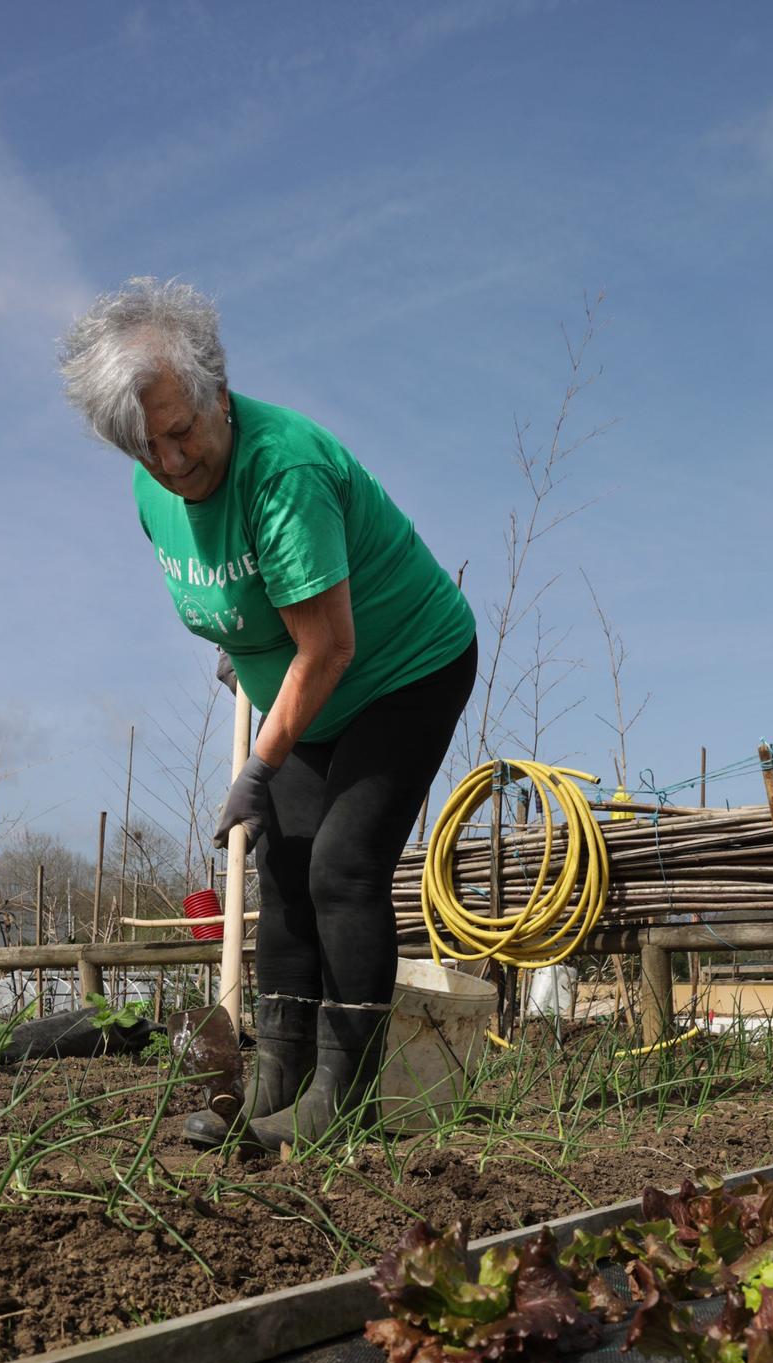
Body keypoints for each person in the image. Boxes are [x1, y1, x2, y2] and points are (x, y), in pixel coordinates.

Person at [59, 278, 477, 1150]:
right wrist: (240, 647)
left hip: (402, 667)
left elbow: (326, 646)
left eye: (182, 432)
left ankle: (343, 1102)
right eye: (145, 449)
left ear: (219, 391)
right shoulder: (154, 495)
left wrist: (261, 766)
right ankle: (273, 1091)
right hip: (304, 682)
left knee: (342, 868)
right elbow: (237, 597)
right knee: (282, 875)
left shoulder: (282, 471)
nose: (171, 462)